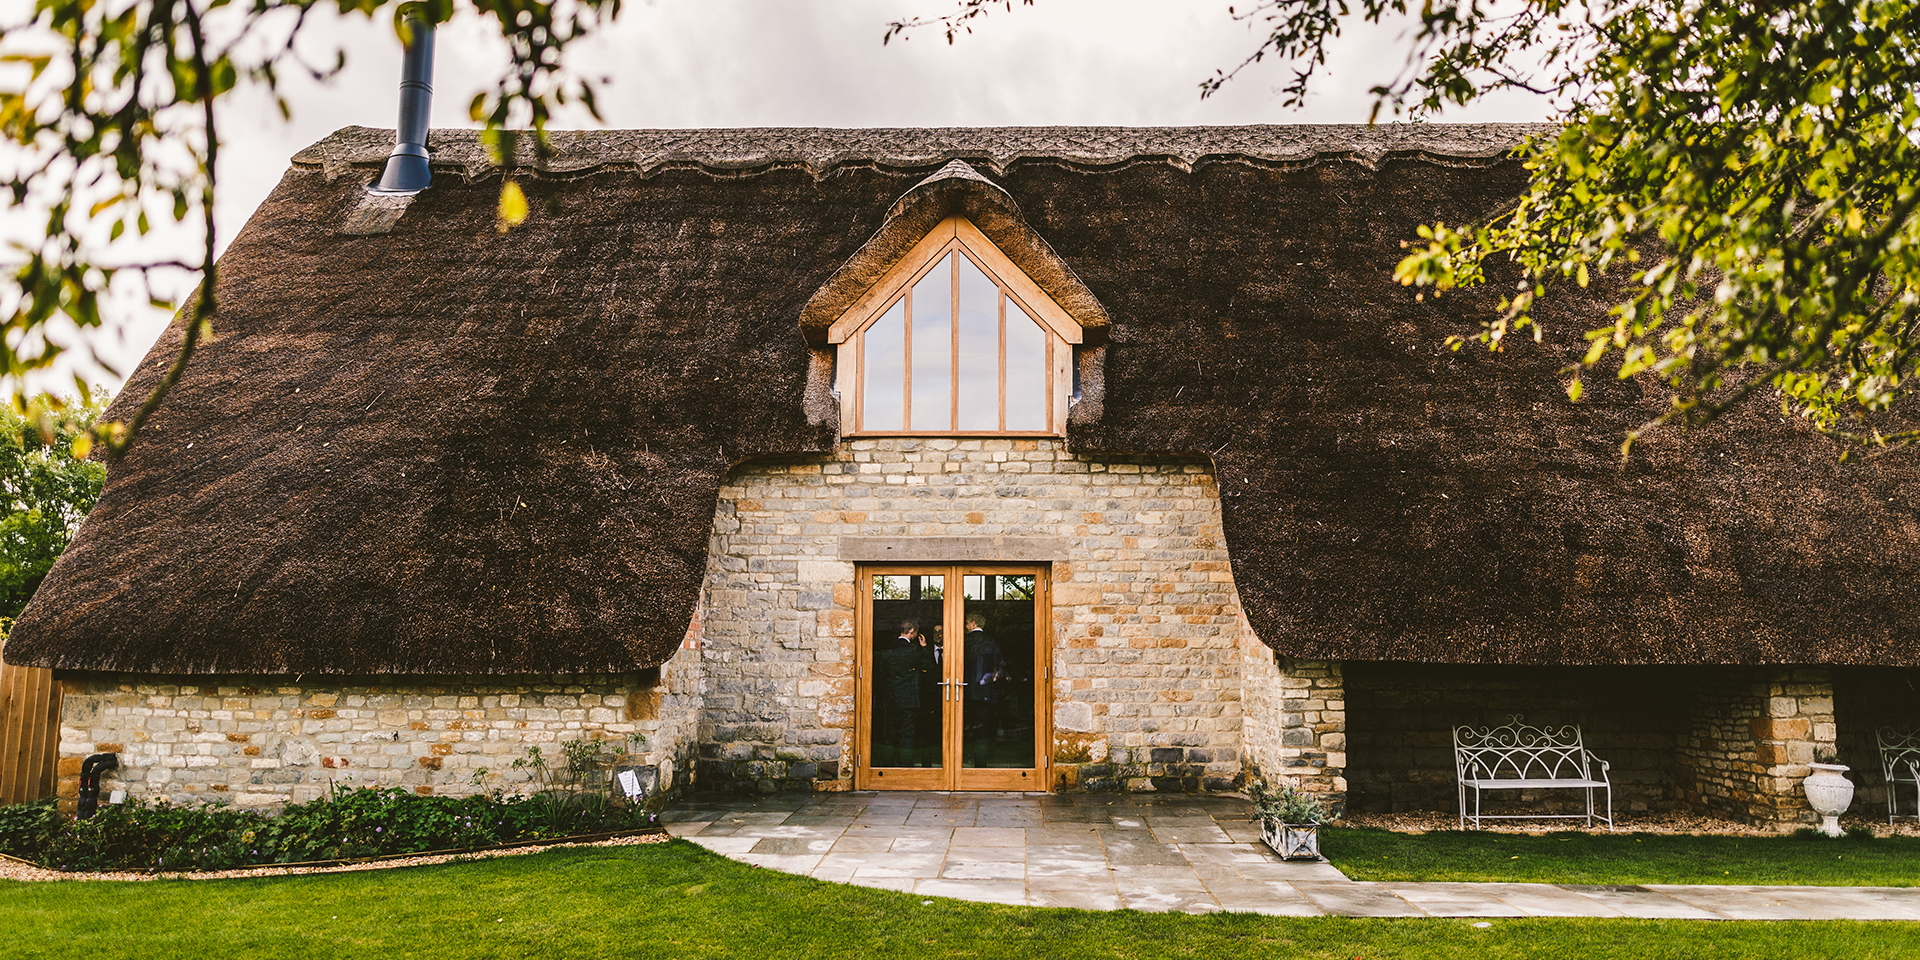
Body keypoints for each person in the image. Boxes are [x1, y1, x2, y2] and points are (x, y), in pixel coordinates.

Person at [873, 620, 924, 765]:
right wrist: (924, 647)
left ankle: (888, 765)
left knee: (890, 734)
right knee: (907, 735)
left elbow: (881, 674)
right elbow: (927, 666)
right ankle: (905, 766)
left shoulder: (887, 649)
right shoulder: (914, 650)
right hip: (908, 700)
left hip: (890, 699)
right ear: (912, 631)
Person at [962, 612, 1007, 753]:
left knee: (962, 731)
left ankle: (960, 764)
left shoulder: (963, 641)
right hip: (986, 693)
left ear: (973, 623)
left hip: (964, 691)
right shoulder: (993, 643)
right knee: (982, 732)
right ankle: (980, 765)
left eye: (967, 623)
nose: (965, 626)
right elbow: (999, 669)